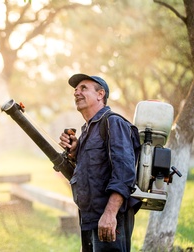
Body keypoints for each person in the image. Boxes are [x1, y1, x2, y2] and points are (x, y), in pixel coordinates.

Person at [59, 74, 141, 252]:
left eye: (83, 88)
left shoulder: (113, 123)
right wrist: (74, 153)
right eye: (75, 89)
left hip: (111, 217)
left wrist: (110, 214)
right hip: (90, 218)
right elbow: (92, 172)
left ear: (100, 94)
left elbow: (124, 173)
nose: (76, 92)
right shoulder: (87, 130)